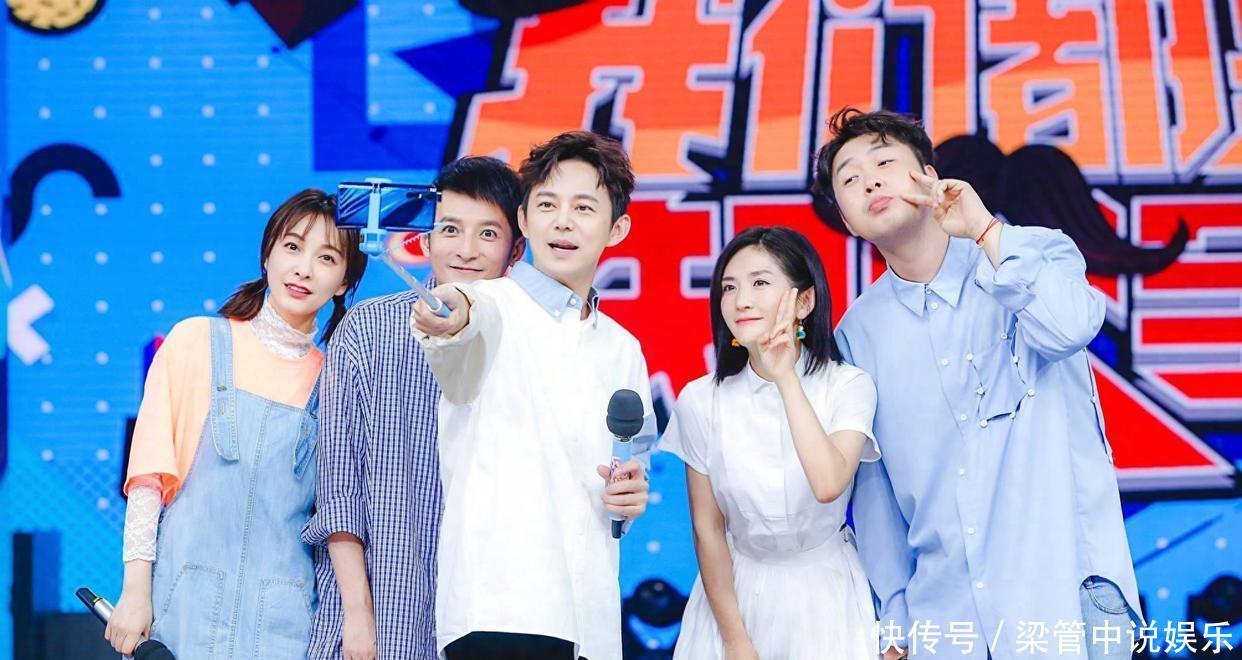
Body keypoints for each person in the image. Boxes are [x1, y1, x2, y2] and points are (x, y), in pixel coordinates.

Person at [815, 108, 1142, 660]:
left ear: (929, 174)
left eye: (885, 162)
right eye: (849, 179)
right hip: (946, 621)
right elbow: (877, 495)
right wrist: (896, 622)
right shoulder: (856, 335)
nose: (869, 181)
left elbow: (1069, 327)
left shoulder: (1031, 251)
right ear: (847, 220)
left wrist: (986, 231)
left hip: (1061, 597)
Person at [411, 131, 655, 660]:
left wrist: (631, 494)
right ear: (523, 220)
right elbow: (462, 314)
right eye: (547, 205)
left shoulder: (623, 348)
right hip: (500, 612)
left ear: (617, 228)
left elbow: (632, 469)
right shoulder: (492, 304)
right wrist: (448, 314)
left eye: (583, 208)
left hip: (590, 618)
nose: (562, 222)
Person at [105, 189, 367, 658]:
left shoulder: (336, 381)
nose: (304, 269)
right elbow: (149, 479)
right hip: (182, 605)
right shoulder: (194, 341)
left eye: (326, 257)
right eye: (292, 247)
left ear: (344, 281)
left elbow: (337, 512)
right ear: (267, 255)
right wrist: (135, 590)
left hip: (286, 621)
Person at [302, 156, 526, 660]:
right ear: (424, 240)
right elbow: (339, 486)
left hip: (490, 615)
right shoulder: (367, 329)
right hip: (383, 607)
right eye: (450, 229)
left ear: (516, 249)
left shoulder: (525, 345)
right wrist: (357, 615)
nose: (466, 249)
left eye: (488, 234)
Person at [662, 226, 880, 660]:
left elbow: (828, 483)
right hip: (735, 595)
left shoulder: (848, 386)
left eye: (760, 283)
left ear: (805, 301)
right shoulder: (701, 400)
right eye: (729, 287)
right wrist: (735, 640)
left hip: (826, 589)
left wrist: (785, 378)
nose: (741, 300)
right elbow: (708, 530)